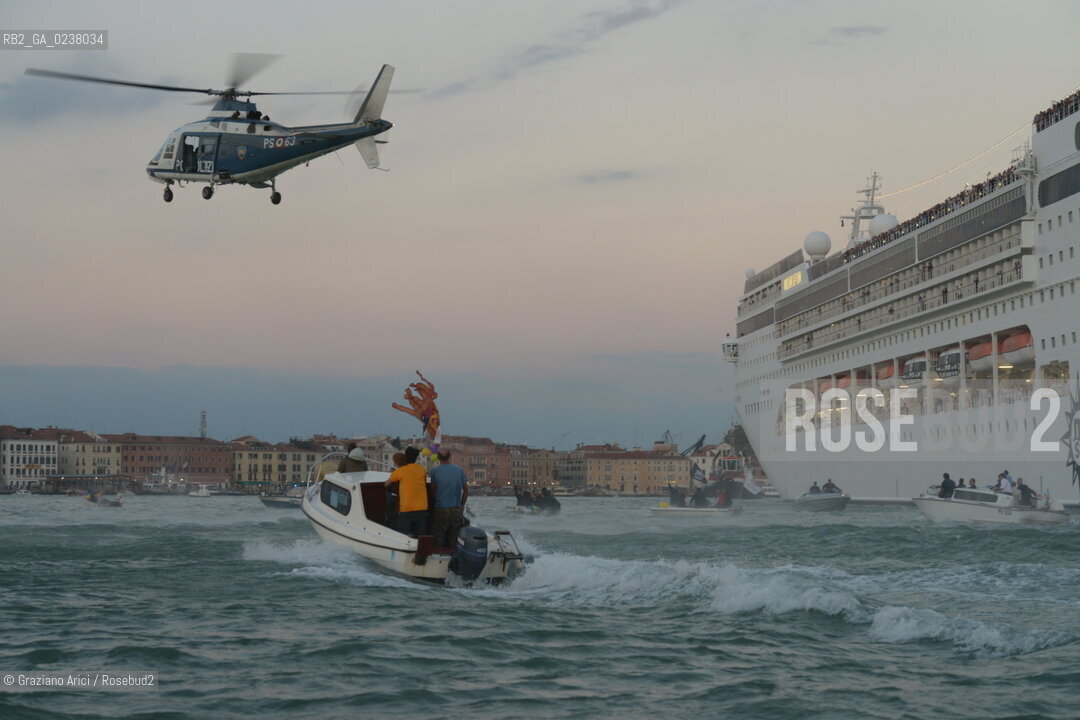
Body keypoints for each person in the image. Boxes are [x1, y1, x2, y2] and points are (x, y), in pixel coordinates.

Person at [429, 450, 469, 548]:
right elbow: (466, 489)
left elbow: (432, 491)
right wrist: (462, 505)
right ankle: (452, 557)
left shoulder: (434, 471)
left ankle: (437, 557)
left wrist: (434, 504)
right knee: (453, 537)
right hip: (456, 509)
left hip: (440, 508)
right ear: (450, 456)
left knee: (439, 535)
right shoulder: (459, 470)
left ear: (438, 458)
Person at [386, 446, 428, 537]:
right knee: (420, 537)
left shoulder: (400, 471)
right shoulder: (422, 470)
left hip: (407, 508)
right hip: (422, 508)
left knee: (402, 536)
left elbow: (386, 484)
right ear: (416, 458)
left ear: (406, 457)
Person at [384, 452, 405, 528]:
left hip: (397, 498)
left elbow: (386, 484)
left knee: (389, 497)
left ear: (396, 462)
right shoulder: (407, 470)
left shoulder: (397, 472)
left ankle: (389, 522)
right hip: (404, 496)